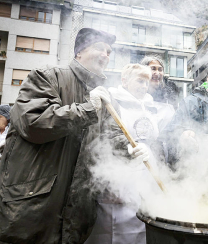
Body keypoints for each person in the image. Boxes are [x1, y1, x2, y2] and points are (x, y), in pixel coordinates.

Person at [0, 28, 147, 243]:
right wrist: (88, 109)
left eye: (109, 51)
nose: (106, 55)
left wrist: (128, 148)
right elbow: (34, 124)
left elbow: (110, 138)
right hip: (32, 203)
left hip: (77, 211)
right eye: (99, 48)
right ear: (79, 52)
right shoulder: (47, 76)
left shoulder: (106, 98)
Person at [85, 63, 171, 244]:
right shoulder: (112, 101)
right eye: (140, 81)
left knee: (141, 231)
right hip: (117, 179)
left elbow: (154, 141)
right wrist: (126, 148)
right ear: (124, 80)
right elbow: (103, 137)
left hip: (145, 180)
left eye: (146, 83)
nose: (144, 86)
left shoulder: (150, 106)